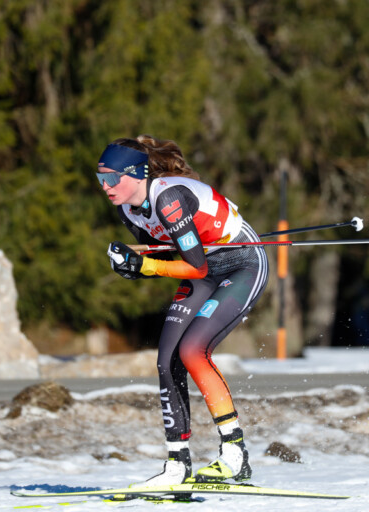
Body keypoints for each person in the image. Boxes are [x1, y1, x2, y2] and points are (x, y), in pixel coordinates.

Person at [97, 135, 269, 486]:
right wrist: (132, 261)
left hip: (241, 264)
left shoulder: (169, 198)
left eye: (112, 177)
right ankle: (178, 465)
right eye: (100, 177)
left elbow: (195, 266)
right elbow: (165, 256)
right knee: (167, 360)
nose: (106, 186)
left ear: (136, 174)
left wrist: (145, 267)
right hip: (203, 266)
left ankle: (235, 456)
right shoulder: (127, 208)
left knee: (193, 351)